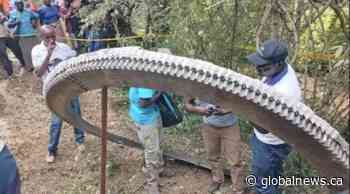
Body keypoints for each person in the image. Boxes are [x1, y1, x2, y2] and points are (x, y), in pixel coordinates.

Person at [246, 39, 302, 194]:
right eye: (258, 64)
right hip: (271, 140)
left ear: (278, 64)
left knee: (264, 184)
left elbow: (264, 129)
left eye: (264, 66)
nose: (258, 69)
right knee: (270, 176)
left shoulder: (284, 93)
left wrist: (242, 108)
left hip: (271, 145)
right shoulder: (281, 68)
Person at [31, 25, 85, 163]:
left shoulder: (64, 48)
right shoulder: (37, 51)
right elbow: (39, 73)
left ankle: (80, 141)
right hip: (53, 92)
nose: (51, 40)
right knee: (56, 122)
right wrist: (49, 54)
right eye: (47, 37)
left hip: (70, 88)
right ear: (41, 37)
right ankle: (52, 150)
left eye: (53, 36)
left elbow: (74, 59)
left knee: (76, 114)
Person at [185, 99, 243, 194]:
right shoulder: (199, 85)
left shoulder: (231, 84)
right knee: (213, 156)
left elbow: (242, 102)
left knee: (235, 160)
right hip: (209, 125)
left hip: (230, 125)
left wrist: (227, 110)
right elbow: (187, 104)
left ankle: (238, 187)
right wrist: (200, 110)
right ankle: (217, 179)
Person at [128, 86, 174, 194]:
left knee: (159, 143)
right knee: (152, 151)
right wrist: (160, 93)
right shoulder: (145, 82)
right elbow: (143, 104)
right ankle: (152, 184)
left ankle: (160, 169)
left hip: (153, 114)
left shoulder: (145, 74)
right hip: (146, 119)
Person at [8, 0, 38, 73]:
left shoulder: (28, 11)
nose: (20, 6)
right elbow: (9, 25)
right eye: (18, 4)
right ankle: (30, 67)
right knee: (26, 52)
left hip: (31, 34)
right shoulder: (13, 13)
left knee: (35, 50)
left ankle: (37, 65)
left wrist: (34, 22)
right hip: (21, 36)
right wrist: (16, 22)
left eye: (21, 4)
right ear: (15, 5)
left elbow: (36, 16)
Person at [0, 10, 27, 79]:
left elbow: (7, 24)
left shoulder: (1, 13)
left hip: (7, 36)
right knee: (3, 55)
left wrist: (15, 23)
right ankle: (10, 74)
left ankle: (23, 64)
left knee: (17, 49)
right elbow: (2, 20)